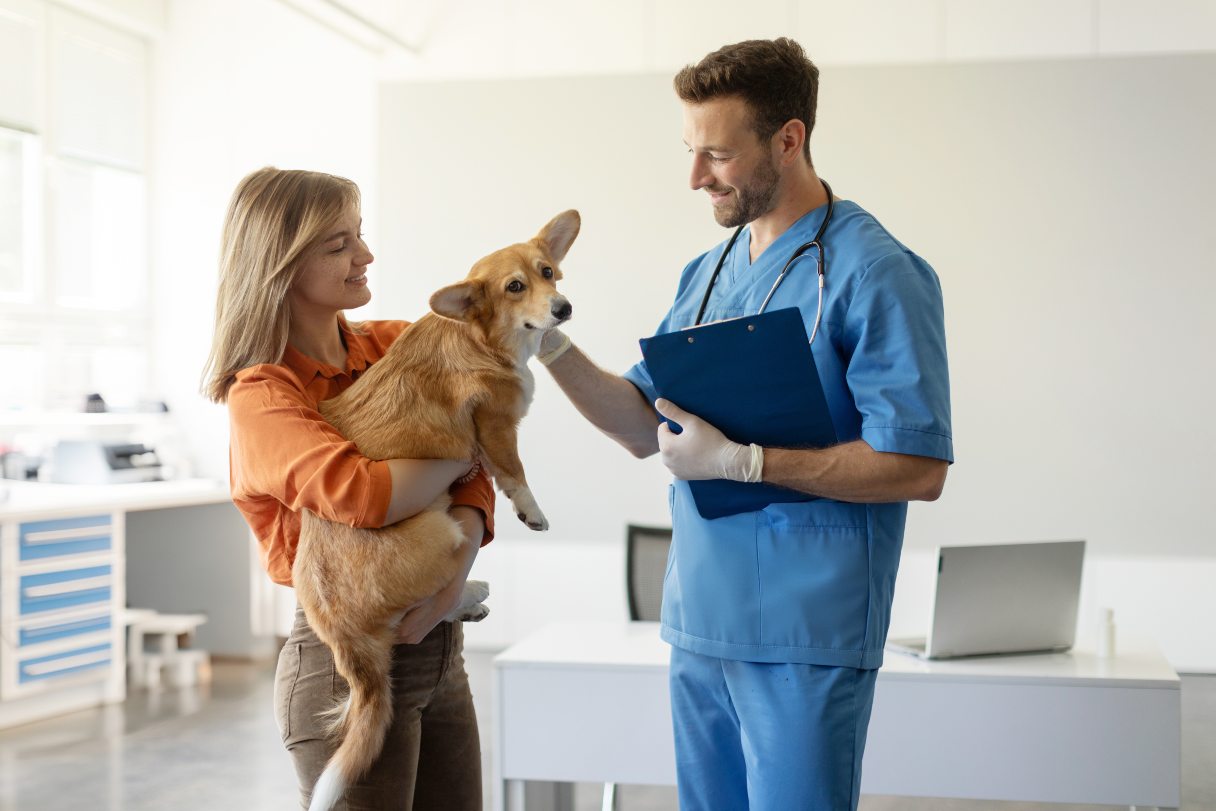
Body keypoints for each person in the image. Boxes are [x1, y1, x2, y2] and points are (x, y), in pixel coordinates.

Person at [535, 38, 952, 810]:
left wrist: (746, 462)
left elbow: (918, 467)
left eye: (718, 155)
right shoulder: (710, 272)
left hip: (806, 632)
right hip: (699, 620)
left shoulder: (875, 271)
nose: (695, 177)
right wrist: (547, 344)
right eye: (691, 152)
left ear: (788, 140)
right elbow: (640, 423)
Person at [202, 166, 494, 811]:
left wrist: (457, 568)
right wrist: (467, 449)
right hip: (343, 663)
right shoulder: (264, 393)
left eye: (359, 236)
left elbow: (483, 466)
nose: (366, 255)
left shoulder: (397, 345)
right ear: (278, 265)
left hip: (443, 650)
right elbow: (364, 496)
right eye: (338, 246)